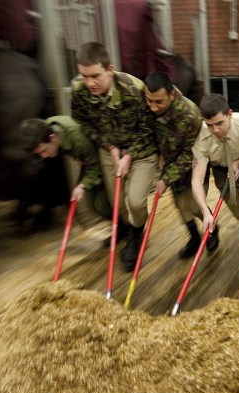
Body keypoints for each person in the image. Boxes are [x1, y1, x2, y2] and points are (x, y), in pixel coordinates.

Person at [70, 42, 160, 272]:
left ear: (109, 69)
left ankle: (137, 237)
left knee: (136, 201)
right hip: (109, 149)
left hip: (141, 150)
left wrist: (128, 155)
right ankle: (129, 231)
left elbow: (149, 127)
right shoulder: (79, 91)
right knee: (117, 202)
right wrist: (110, 147)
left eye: (95, 76)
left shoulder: (134, 89)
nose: (89, 83)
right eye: (84, 76)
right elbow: (84, 123)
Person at [141, 71, 214, 258]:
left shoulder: (190, 116)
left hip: (193, 163)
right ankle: (194, 239)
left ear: (172, 95)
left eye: (158, 102)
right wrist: (158, 154)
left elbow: (192, 154)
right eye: (149, 101)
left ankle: (211, 227)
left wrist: (165, 179)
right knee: (180, 204)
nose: (153, 107)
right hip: (170, 162)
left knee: (195, 205)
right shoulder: (148, 105)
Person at [191, 93, 239, 247]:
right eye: (210, 125)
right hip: (221, 172)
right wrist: (206, 212)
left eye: (219, 123)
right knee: (238, 212)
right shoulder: (201, 137)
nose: (215, 130)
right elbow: (197, 180)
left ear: (230, 114)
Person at [18, 115, 112, 221]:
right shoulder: (48, 129)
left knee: (101, 206)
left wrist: (82, 186)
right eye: (39, 153)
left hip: (104, 158)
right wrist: (77, 158)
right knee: (90, 203)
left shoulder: (78, 139)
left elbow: (96, 164)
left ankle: (126, 227)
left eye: (44, 150)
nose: (43, 156)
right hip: (88, 160)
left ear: (52, 138)